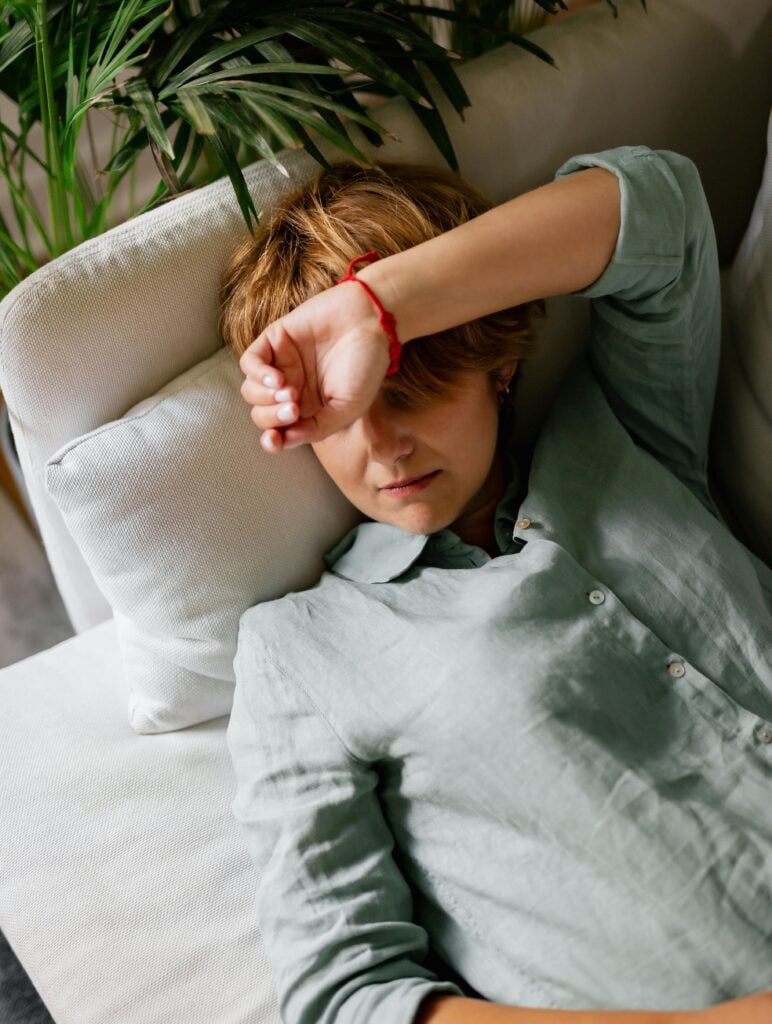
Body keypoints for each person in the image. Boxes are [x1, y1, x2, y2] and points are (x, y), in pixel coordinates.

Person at [219, 145, 772, 1024]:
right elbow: (344, 998)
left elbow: (659, 208)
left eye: (414, 388)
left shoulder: (626, 435)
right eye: (337, 414)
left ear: (499, 361)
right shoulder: (305, 649)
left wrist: (378, 311)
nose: (384, 446)